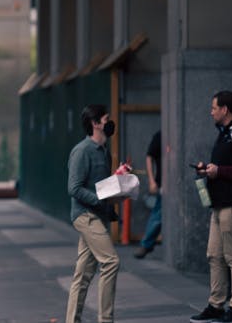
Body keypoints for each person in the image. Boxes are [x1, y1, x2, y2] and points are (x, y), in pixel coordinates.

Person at [189, 91, 232, 323]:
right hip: (218, 205)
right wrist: (208, 169)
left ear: (225, 109)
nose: (211, 112)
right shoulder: (225, 134)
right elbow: (226, 166)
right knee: (214, 255)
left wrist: (220, 171)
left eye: (214, 107)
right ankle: (216, 305)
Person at [66, 104, 121, 323]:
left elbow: (101, 187)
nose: (110, 123)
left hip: (97, 216)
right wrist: (100, 202)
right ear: (95, 123)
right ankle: (105, 320)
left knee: (83, 275)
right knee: (110, 262)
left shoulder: (104, 152)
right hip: (85, 216)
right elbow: (74, 188)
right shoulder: (82, 151)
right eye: (106, 119)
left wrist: (118, 184)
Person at [134, 130, 163, 259]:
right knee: (158, 214)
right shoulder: (160, 135)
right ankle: (146, 244)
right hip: (162, 184)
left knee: (158, 213)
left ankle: (146, 244)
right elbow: (149, 156)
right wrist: (151, 180)